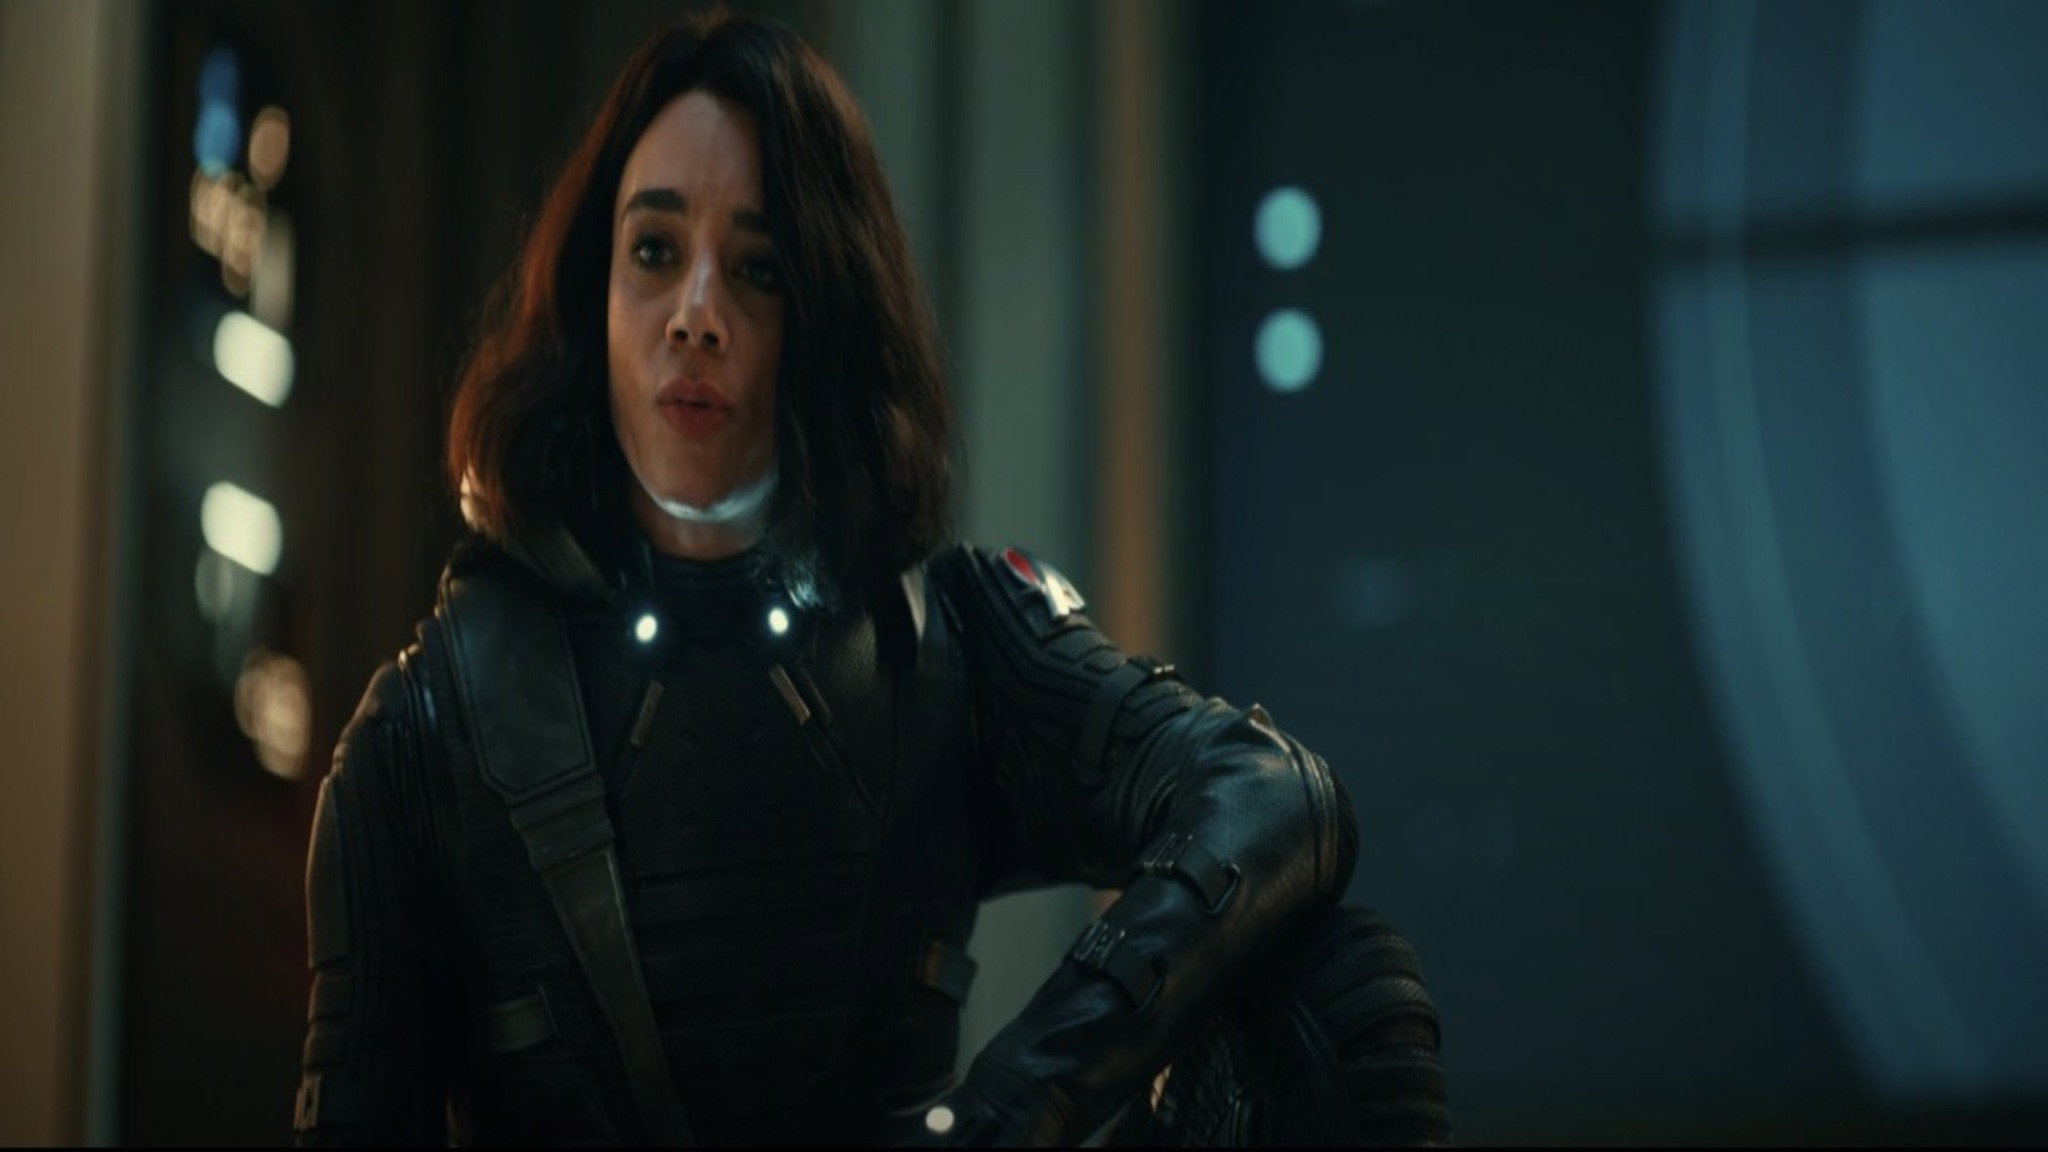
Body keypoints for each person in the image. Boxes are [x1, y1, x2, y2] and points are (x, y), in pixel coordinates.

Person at [293, 10, 1447, 1146]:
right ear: (591, 294)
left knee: (1338, 992)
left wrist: (1012, 1105)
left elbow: (1275, 799)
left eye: (759, 269)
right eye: (653, 252)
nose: (695, 316)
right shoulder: (426, 730)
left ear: (826, 313)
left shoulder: (944, 643)